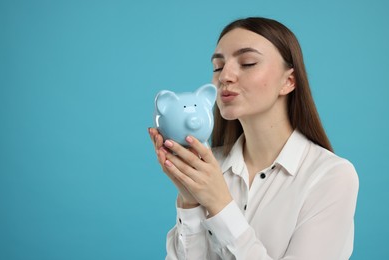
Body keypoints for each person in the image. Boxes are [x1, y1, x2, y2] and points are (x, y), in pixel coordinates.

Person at [148, 17, 359, 260]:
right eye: (218, 67)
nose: (224, 76)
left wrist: (220, 204)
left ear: (288, 81)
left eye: (247, 63)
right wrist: (190, 200)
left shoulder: (331, 176)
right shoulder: (209, 168)